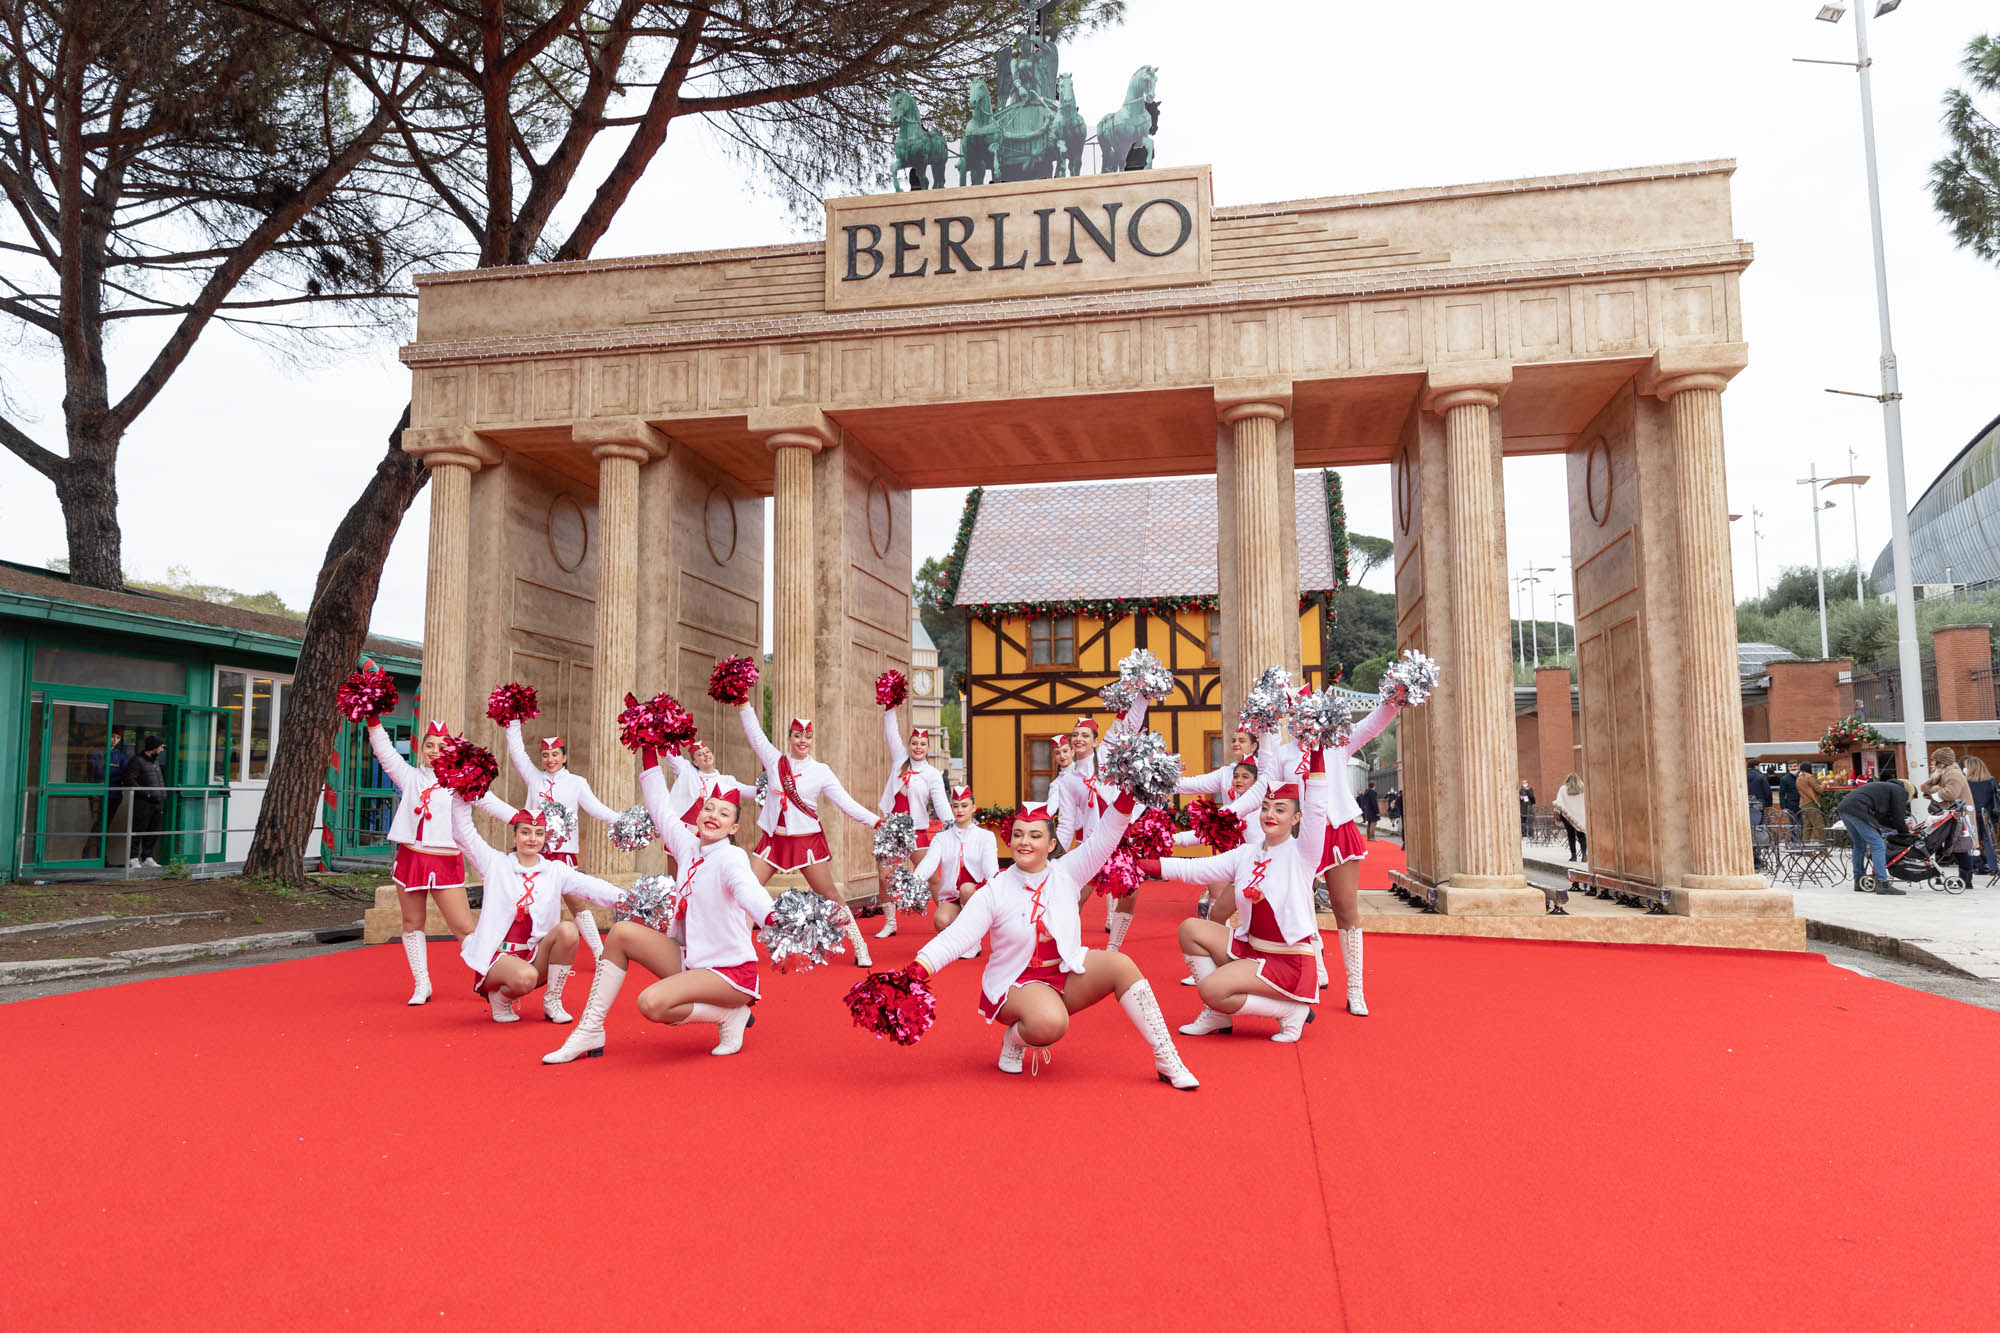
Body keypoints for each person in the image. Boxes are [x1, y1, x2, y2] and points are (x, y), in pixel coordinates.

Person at [909, 787, 1199, 1090]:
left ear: (1050, 844)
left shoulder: (1068, 872)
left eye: (1035, 836)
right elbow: (956, 937)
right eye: (1019, 834)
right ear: (1010, 841)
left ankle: (1167, 1057)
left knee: (1122, 965)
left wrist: (1130, 792)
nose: (1025, 842)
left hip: (1063, 973)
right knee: (1051, 1023)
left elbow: (1106, 835)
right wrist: (915, 971)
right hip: (1015, 984)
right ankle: (1015, 1038)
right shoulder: (995, 889)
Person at [546, 750, 777, 1064]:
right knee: (622, 933)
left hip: (730, 974)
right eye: (709, 808)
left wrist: (771, 915)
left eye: (724, 814)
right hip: (692, 959)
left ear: (733, 828)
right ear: (697, 815)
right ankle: (590, 1029)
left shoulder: (731, 859)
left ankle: (729, 1015)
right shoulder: (688, 847)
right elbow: (661, 808)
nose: (713, 816)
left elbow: (748, 890)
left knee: (652, 1003)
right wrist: (649, 753)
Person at [1144, 752, 1332, 1042]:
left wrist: (1317, 752)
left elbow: (1317, 811)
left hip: (1288, 961)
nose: (1270, 815)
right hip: (1252, 948)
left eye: (1280, 810)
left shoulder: (1303, 855)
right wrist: (1143, 864)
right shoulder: (1247, 853)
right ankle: (1219, 1013)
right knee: (1190, 929)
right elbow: (1196, 869)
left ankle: (1289, 1011)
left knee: (1211, 989)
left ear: (1296, 818)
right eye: (1266, 808)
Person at [1258, 693, 1406, 1016]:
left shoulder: (1337, 743)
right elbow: (1268, 785)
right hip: (1300, 835)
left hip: (1337, 828)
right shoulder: (1284, 753)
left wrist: (1394, 699)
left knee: (1344, 907)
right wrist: (1264, 728)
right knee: (1297, 902)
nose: (1303, 717)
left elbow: (1372, 726)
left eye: (1308, 710)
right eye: (1297, 711)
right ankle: (1315, 957)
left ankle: (1355, 988)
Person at [367, 717, 512, 1004]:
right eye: (429, 746)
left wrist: (522, 818)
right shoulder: (409, 777)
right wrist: (373, 722)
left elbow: (490, 802)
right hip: (411, 859)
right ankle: (422, 984)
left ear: (452, 751)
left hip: (445, 861)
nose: (434, 751)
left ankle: (486, 978)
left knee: (464, 927)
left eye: (441, 746)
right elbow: (384, 751)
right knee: (411, 922)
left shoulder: (462, 782)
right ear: (421, 750)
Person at [449, 797, 624, 1025]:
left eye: (539, 833)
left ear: (545, 837)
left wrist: (630, 899)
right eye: (525, 832)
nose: (532, 839)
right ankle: (499, 998)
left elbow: (593, 887)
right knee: (525, 977)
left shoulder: (555, 871)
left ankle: (552, 1000)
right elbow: (463, 832)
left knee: (568, 931)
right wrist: (461, 794)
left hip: (533, 955)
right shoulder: (494, 863)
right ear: (514, 836)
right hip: (498, 957)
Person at [738, 694, 882, 966]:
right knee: (746, 889)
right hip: (773, 840)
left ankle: (860, 945)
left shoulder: (821, 771)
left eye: (807, 737)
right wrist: (743, 703)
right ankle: (740, 949)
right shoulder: (774, 760)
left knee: (830, 895)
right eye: (797, 736)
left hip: (806, 842)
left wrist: (874, 821)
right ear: (789, 738)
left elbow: (845, 802)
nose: (802, 741)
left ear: (812, 740)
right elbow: (755, 734)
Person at [499, 720, 622, 961]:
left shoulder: (577, 783)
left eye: (555, 754)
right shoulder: (534, 778)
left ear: (564, 757)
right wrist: (512, 720)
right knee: (527, 899)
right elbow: (517, 753)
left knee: (575, 902)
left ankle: (600, 953)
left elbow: (595, 808)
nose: (550, 759)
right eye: (545, 755)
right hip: (534, 851)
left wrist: (621, 820)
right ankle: (527, 950)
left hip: (562, 852)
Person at [1052, 701, 1150, 950]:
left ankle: (1113, 948)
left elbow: (1129, 723)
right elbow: (1065, 824)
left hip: (1119, 838)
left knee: (1130, 893)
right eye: (1075, 735)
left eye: (1085, 735)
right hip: (1091, 845)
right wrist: (1056, 857)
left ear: (1095, 741)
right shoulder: (1067, 780)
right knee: (1074, 895)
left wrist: (1145, 696)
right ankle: (1064, 945)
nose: (1078, 739)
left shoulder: (1106, 754)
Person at [873, 700, 952, 940]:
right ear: (908, 745)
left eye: (922, 744)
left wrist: (953, 824)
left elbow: (940, 804)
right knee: (884, 876)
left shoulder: (933, 775)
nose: (918, 747)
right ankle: (890, 922)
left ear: (928, 748)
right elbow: (891, 732)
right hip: (892, 832)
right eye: (914, 743)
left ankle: (948, 922)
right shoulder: (899, 761)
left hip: (916, 831)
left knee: (933, 878)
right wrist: (889, 706)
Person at [907, 784, 996, 955]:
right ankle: (960, 941)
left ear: (973, 808)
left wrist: (995, 889)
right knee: (941, 921)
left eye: (964, 805)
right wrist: (913, 881)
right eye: (955, 806)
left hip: (976, 895)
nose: (959, 810)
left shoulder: (985, 837)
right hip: (952, 896)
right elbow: (929, 863)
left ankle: (973, 941)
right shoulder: (942, 838)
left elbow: (991, 868)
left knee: (967, 889)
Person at [1834, 777, 1914, 895]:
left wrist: (1892, 829)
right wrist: (1906, 834)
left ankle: (1859, 880)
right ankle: (1882, 883)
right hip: (1857, 809)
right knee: (1878, 845)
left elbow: (1883, 818)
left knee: (1859, 844)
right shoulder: (1899, 791)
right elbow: (1898, 817)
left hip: (1844, 808)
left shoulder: (1885, 787)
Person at [1921, 747, 1978, 891]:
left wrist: (1934, 790)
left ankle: (1966, 880)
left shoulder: (1953, 774)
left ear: (1941, 761)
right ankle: (1961, 878)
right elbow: (1925, 786)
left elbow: (1951, 793)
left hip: (1962, 817)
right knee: (1955, 847)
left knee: (1962, 848)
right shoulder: (1941, 773)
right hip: (1953, 815)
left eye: (1934, 759)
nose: (1931, 762)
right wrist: (1933, 788)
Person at [122, 735, 166, 868]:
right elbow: (129, 779)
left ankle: (147, 857)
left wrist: (162, 795)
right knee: (138, 829)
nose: (162, 750)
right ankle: (133, 858)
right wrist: (145, 794)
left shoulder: (155, 761)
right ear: (153, 747)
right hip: (143, 802)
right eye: (161, 747)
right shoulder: (137, 761)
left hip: (157, 802)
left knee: (153, 830)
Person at [1961, 755, 1998, 874]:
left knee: (1972, 840)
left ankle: (1977, 865)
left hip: (1971, 814)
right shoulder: (1991, 780)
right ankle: (1993, 867)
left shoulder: (1966, 782)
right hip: (1987, 814)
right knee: (1989, 841)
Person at [1553, 772, 1586, 863]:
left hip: (1568, 816)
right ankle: (1584, 854)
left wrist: (1556, 812)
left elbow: (1559, 802)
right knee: (1582, 835)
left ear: (1567, 780)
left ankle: (1574, 856)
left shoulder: (1563, 789)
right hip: (1580, 816)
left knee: (1571, 835)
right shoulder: (1583, 789)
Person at [1796, 764, 1827, 839]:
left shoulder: (1799, 778)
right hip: (1811, 803)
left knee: (1807, 827)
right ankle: (1823, 849)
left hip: (1803, 804)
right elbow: (1819, 790)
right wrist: (1824, 783)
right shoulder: (1809, 777)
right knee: (1819, 826)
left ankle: (1805, 849)